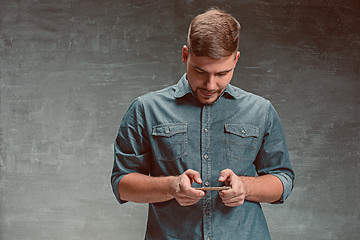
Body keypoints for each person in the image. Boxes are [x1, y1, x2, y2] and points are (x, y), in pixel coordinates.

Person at [111, 8, 294, 240]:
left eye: (222, 73)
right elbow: (122, 183)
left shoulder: (261, 110)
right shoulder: (145, 109)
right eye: (200, 71)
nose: (210, 84)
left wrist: (245, 187)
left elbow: (283, 180)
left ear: (236, 60)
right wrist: (171, 187)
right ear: (185, 55)